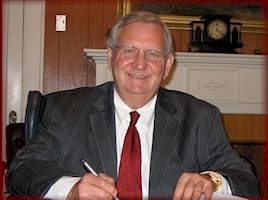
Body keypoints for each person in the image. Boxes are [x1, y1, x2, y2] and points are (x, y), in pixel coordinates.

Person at [7, 11, 259, 200]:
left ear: (168, 64)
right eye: (129, 50)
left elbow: (245, 179)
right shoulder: (66, 109)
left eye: (153, 54)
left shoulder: (201, 117)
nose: (140, 64)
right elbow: (22, 171)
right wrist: (71, 189)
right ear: (110, 56)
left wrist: (211, 180)